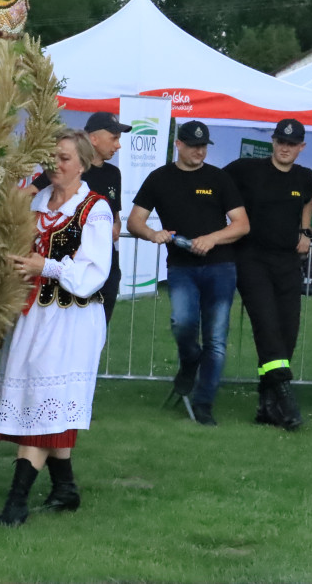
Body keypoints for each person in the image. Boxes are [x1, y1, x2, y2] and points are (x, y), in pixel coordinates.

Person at [0, 129, 113, 527]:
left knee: (46, 401)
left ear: (83, 162)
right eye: (51, 158)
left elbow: (95, 271)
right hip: (34, 315)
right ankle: (65, 489)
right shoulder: (38, 202)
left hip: (71, 317)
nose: (55, 166)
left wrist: (45, 266)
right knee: (41, 400)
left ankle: (16, 500)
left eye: (63, 159)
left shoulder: (93, 208)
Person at [126, 120, 249, 426]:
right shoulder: (159, 178)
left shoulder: (219, 178)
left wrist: (213, 238)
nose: (199, 151)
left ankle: (204, 402)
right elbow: (134, 221)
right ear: (178, 145)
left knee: (216, 339)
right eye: (194, 145)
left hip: (221, 266)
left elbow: (241, 224)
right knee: (182, 323)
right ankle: (190, 358)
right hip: (181, 267)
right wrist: (152, 234)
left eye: (204, 146)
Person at [224, 119, 312, 431]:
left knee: (288, 330)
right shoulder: (246, 169)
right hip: (251, 258)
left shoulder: (305, 177)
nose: (285, 147)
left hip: (288, 262)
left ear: (301, 147)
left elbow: (308, 199)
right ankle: (285, 395)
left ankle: (266, 404)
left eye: (292, 143)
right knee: (266, 326)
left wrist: (304, 230)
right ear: (273, 142)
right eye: (281, 141)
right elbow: (219, 188)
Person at [29, 112, 128, 323]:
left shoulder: (113, 174)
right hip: (45, 291)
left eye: (64, 158)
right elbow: (27, 194)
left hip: (95, 274)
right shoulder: (53, 179)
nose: (118, 145)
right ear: (93, 138)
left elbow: (115, 215)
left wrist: (113, 227)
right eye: (114, 137)